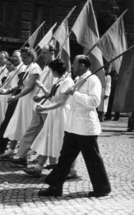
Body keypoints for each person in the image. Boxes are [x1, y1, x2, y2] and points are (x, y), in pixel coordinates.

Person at [37, 55, 111, 198]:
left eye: (75, 64)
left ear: (82, 65)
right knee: (64, 158)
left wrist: (75, 94)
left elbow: (95, 102)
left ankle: (102, 188)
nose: (73, 66)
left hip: (85, 128)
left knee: (93, 159)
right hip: (72, 127)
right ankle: (55, 187)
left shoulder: (93, 80)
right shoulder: (78, 80)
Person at [23, 59, 74, 178]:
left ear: (56, 71)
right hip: (54, 114)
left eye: (52, 71)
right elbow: (52, 97)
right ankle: (38, 168)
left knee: (61, 141)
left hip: (61, 115)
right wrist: (42, 89)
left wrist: (45, 107)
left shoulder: (67, 81)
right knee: (47, 139)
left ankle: (71, 169)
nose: (51, 73)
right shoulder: (59, 80)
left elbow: (61, 102)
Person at [11, 44, 56, 167]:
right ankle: (22, 156)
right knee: (31, 131)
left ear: (52, 53)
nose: (43, 55)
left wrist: (43, 95)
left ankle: (52, 162)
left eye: (45, 53)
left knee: (49, 134)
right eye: (42, 53)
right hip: (38, 106)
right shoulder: (46, 67)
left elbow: (55, 88)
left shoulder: (56, 67)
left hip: (48, 107)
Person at [0, 47, 42, 159]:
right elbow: (21, 85)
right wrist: (9, 90)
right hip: (23, 100)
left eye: (25, 57)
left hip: (29, 100)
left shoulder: (35, 68)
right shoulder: (27, 67)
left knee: (26, 125)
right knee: (16, 123)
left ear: (31, 57)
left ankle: (26, 153)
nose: (23, 59)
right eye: (23, 57)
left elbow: (30, 86)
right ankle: (11, 149)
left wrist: (17, 96)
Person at [0, 50, 26, 153]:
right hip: (10, 97)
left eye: (16, 56)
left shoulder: (23, 68)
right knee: (5, 122)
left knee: (10, 123)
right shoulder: (14, 69)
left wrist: (8, 91)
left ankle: (3, 146)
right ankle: (0, 146)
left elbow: (20, 85)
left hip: (16, 98)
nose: (14, 58)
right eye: (13, 56)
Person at [0, 57, 15, 131]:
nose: (8, 66)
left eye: (10, 64)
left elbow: (12, 87)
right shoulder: (6, 73)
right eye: (7, 64)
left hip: (7, 97)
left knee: (4, 116)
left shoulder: (14, 74)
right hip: (1, 97)